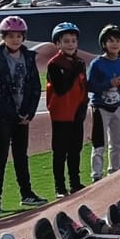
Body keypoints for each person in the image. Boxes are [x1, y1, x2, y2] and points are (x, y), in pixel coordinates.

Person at [0, 15, 47, 212]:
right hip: (2, 115)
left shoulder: (28, 57)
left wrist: (28, 112)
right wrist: (14, 115)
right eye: (11, 36)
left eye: (19, 36)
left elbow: (35, 86)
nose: (15, 39)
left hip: (23, 114)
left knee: (21, 155)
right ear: (4, 37)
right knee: (1, 155)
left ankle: (27, 194)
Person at [45, 22, 89, 196]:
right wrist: (72, 72)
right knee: (60, 151)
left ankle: (75, 182)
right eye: (66, 41)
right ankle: (59, 187)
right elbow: (61, 88)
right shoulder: (54, 64)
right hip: (61, 113)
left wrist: (83, 107)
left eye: (73, 41)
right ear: (58, 44)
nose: (70, 44)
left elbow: (83, 87)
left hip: (76, 112)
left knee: (75, 149)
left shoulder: (79, 62)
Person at [87, 25, 120, 182]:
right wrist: (109, 82)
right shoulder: (97, 64)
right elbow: (91, 86)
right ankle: (96, 174)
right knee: (99, 142)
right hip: (100, 107)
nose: (114, 44)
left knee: (118, 141)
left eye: (118, 41)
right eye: (110, 41)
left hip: (118, 106)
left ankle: (114, 171)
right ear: (104, 44)